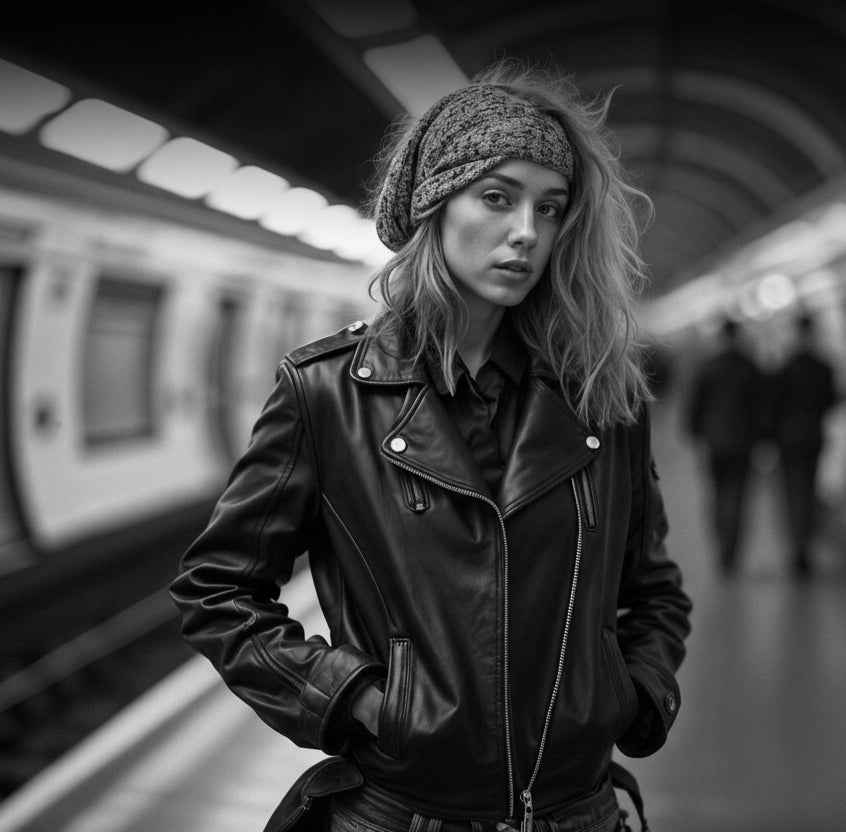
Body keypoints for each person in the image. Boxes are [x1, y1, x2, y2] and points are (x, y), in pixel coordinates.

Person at [170, 60, 692, 832]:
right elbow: (216, 587)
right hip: (403, 814)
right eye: (497, 197)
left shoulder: (601, 397)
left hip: (577, 812)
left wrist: (628, 696)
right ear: (433, 206)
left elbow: (653, 592)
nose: (527, 232)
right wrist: (352, 699)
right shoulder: (330, 393)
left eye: (550, 208)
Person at [683, 317, 764, 575]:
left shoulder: (709, 367)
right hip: (743, 443)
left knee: (717, 495)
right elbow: (761, 407)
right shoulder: (750, 367)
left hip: (715, 442)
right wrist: (763, 436)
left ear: (721, 337)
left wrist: (694, 432)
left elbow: (695, 404)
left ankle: (721, 547)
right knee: (738, 496)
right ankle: (731, 550)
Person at [768, 313, 839, 577]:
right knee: (808, 490)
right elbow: (830, 401)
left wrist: (770, 434)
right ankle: (805, 544)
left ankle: (796, 544)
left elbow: (773, 406)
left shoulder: (784, 369)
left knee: (791, 491)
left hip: (787, 439)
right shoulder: (823, 368)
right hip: (812, 437)